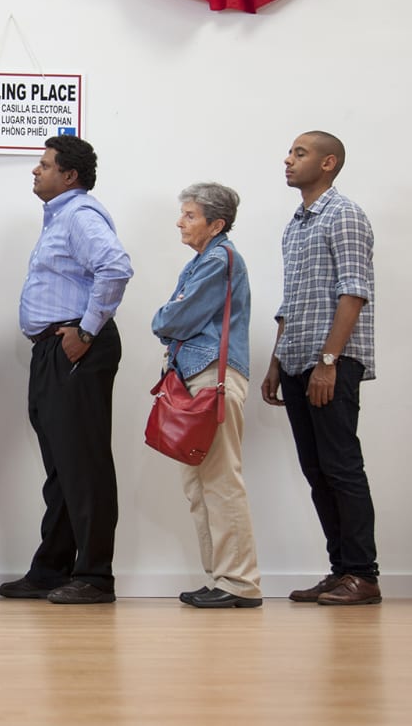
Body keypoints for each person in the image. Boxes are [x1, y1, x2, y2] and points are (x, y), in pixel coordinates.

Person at [0, 135, 132, 605]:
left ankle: (95, 576)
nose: (35, 171)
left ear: (69, 175)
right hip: (54, 348)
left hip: (76, 346)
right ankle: (51, 568)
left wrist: (87, 331)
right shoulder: (59, 217)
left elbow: (115, 267)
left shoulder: (79, 214)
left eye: (44, 165)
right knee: (60, 467)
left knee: (84, 463)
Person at [260, 130, 381, 606]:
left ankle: (363, 574)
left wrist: (328, 362)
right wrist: (276, 362)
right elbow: (291, 303)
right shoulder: (296, 224)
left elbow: (353, 292)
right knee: (316, 470)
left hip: (331, 362)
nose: (287, 159)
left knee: (342, 467)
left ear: (328, 163)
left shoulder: (344, 215)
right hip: (296, 361)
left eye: (300, 152)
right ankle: (340, 570)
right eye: (289, 151)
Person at [150, 183, 262, 609]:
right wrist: (169, 314)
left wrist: (164, 315)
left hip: (213, 377)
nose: (181, 221)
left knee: (220, 480)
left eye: (191, 215)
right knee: (198, 484)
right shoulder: (203, 261)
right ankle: (220, 577)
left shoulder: (220, 259)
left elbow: (174, 316)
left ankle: (240, 583)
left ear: (217, 224)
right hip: (197, 376)